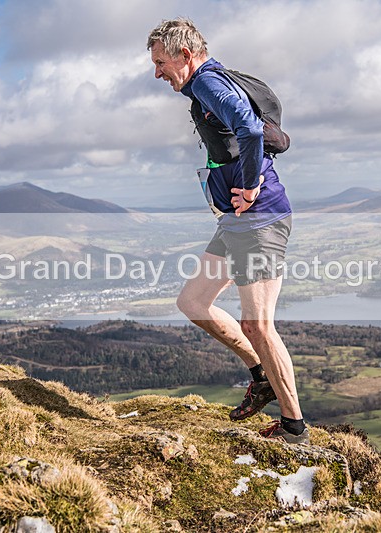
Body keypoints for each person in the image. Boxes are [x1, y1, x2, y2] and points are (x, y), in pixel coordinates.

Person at [147, 18, 308, 444]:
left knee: (258, 324)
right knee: (194, 302)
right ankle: (261, 375)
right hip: (234, 221)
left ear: (185, 55)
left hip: (258, 219)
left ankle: (294, 428)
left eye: (161, 62)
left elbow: (251, 130)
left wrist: (252, 184)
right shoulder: (209, 82)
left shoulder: (207, 84)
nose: (157, 72)